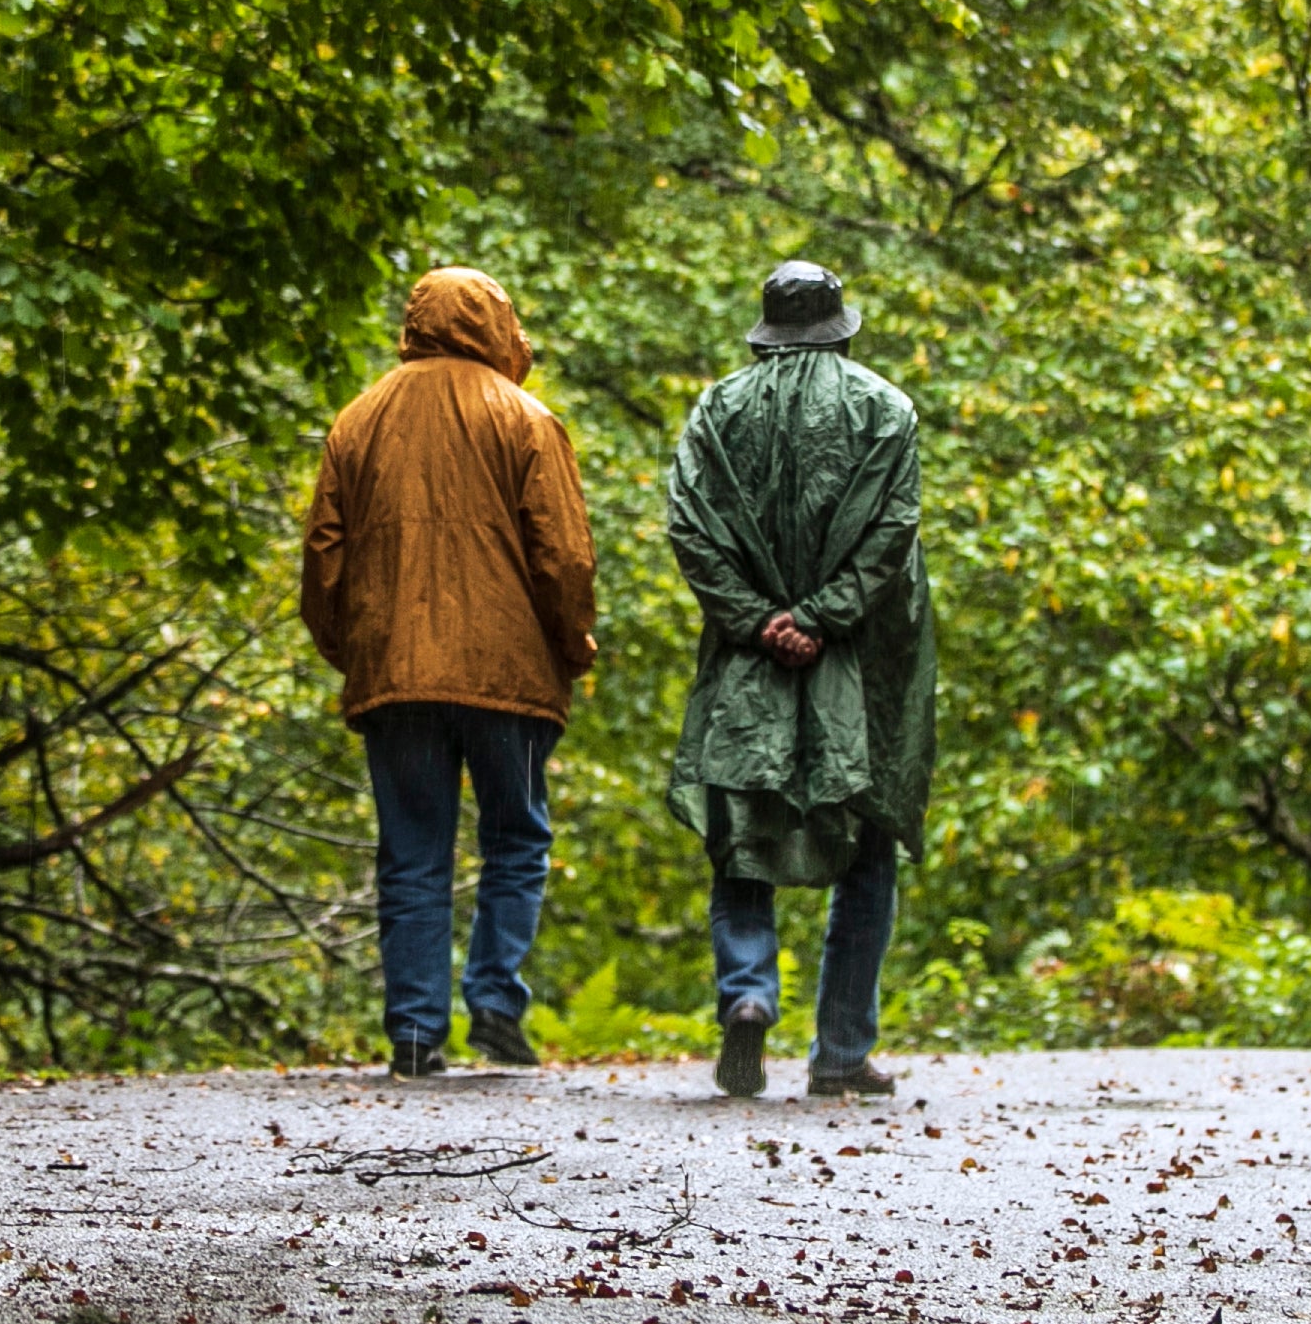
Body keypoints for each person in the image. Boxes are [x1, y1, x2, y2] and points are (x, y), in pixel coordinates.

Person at [298, 268, 599, 1079]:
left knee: (412, 851)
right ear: (498, 325)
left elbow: (323, 557)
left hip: (396, 675)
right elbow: (564, 556)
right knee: (518, 836)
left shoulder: (358, 420)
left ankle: (415, 1032)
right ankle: (496, 1000)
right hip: (512, 675)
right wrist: (574, 643)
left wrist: (353, 647)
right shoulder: (528, 420)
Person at [661, 260, 935, 1100]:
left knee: (743, 824)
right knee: (866, 832)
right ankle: (842, 1049)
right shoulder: (886, 410)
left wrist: (758, 619)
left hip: (750, 658)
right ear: (840, 323)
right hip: (854, 658)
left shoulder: (718, 409)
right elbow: (892, 531)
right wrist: (821, 616)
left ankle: (746, 994)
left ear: (767, 327)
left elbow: (690, 527)